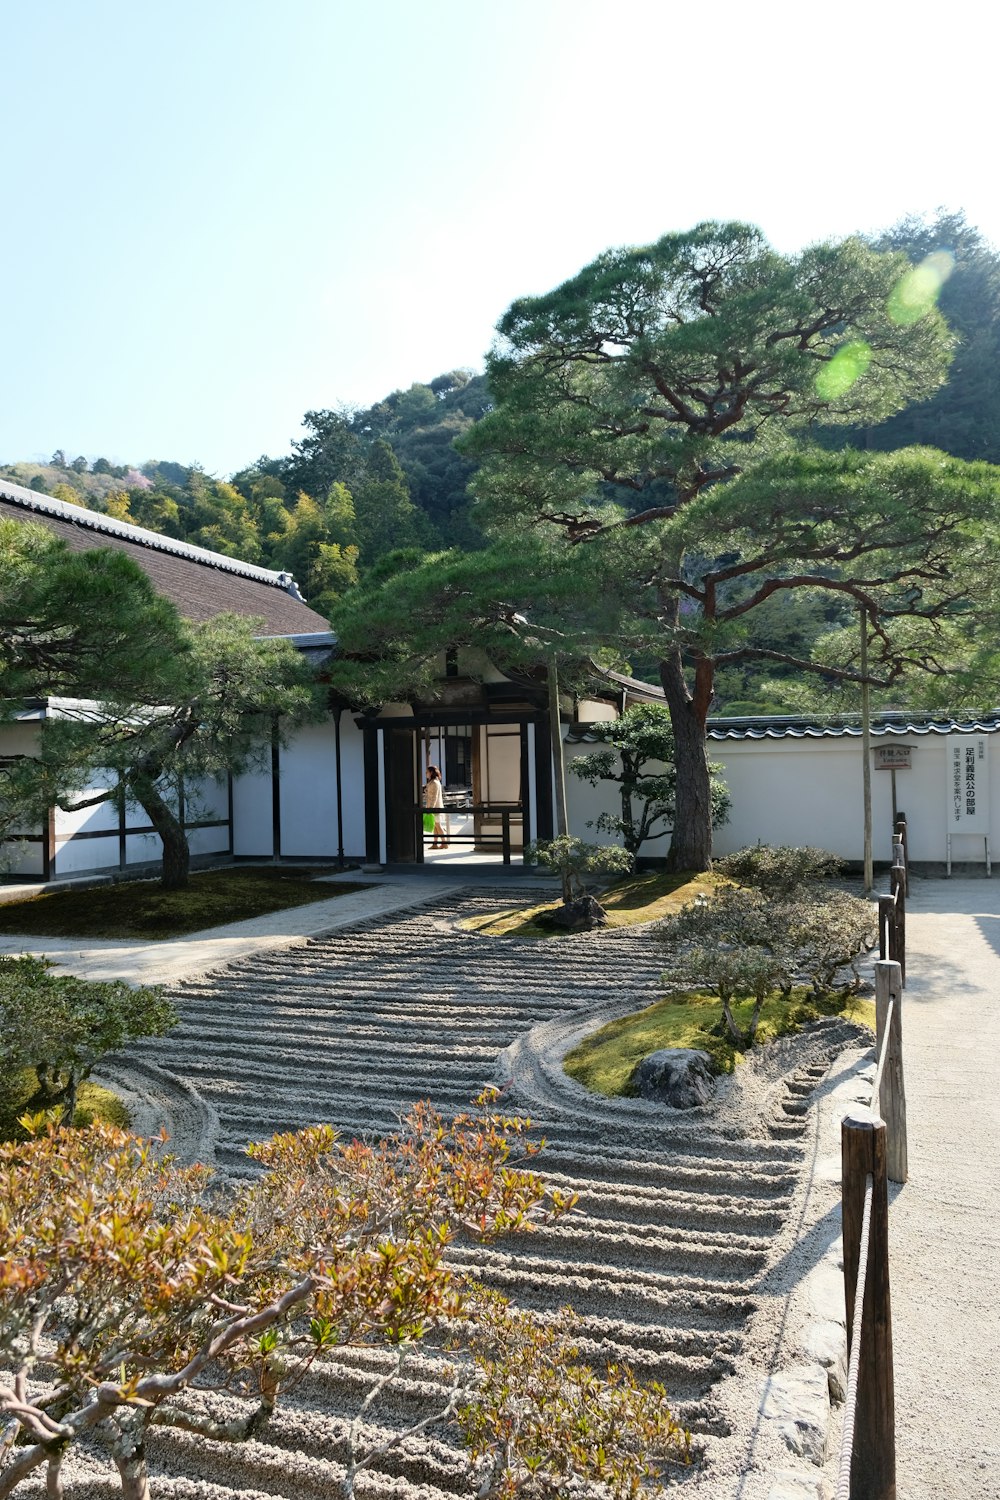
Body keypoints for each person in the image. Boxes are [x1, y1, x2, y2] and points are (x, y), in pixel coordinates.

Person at [424, 764, 448, 848]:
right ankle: (435, 843)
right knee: (435, 826)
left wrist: (430, 808)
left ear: (431, 772)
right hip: (434, 806)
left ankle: (444, 843)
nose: (426, 773)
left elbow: (434, 797)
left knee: (438, 825)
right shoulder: (433, 781)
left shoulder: (434, 783)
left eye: (427, 772)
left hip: (434, 807)